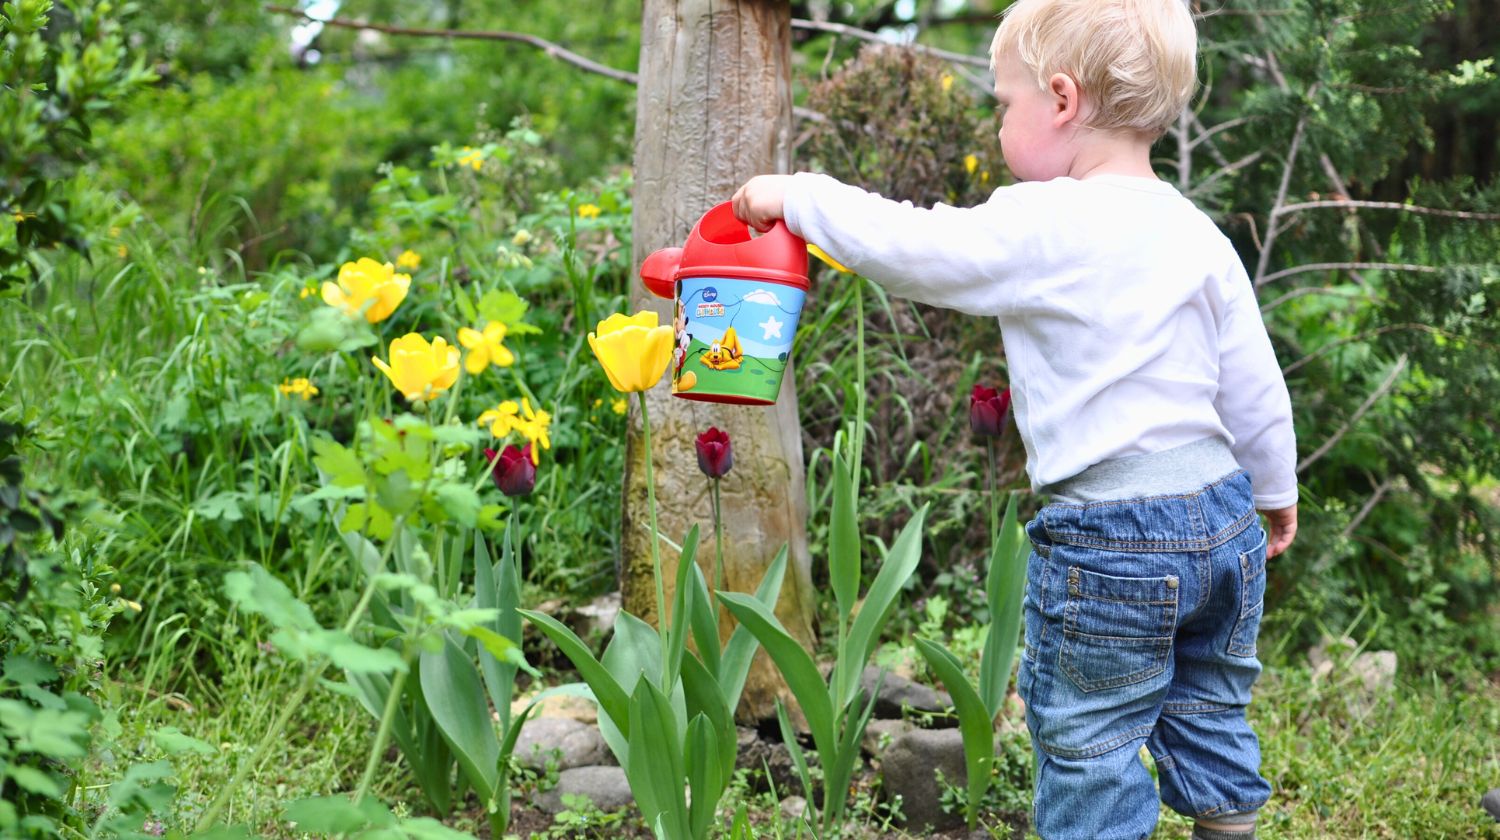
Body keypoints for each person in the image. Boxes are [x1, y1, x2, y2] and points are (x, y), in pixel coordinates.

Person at [731, 0, 1297, 838]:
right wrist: (1275, 488)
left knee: (1091, 741)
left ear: (1062, 101)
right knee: (1209, 702)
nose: (999, 119)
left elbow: (912, 248)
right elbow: (1253, 381)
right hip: (1219, 516)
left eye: (1004, 101)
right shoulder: (1195, 231)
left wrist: (798, 196)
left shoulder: (1045, 222)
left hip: (1112, 536)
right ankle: (1229, 829)